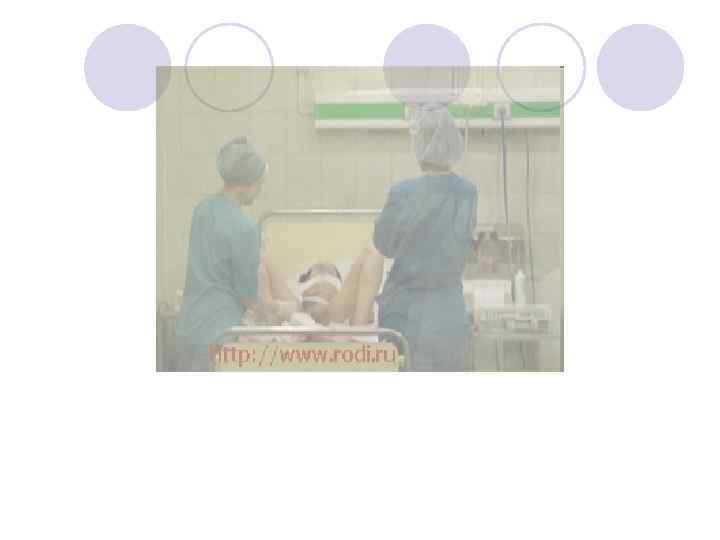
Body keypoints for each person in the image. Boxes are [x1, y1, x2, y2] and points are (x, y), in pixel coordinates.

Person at [175, 137, 297, 371]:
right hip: (219, 336)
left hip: (188, 328)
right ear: (246, 184)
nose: (259, 190)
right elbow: (248, 297)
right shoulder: (245, 228)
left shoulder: (202, 209)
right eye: (260, 184)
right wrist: (280, 309)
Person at [373, 105, 477, 371]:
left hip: (405, 313)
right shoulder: (467, 193)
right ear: (453, 142)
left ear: (419, 144)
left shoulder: (402, 193)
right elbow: (463, 243)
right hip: (448, 313)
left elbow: (383, 245)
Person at [257, 246, 385, 326]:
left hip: (332, 316)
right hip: (300, 312)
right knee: (258, 257)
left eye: (330, 272)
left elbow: (373, 256)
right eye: (315, 272)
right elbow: (258, 258)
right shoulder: (295, 308)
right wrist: (270, 305)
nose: (323, 274)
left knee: (373, 253)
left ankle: (358, 327)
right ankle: (270, 319)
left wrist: (363, 313)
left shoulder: (340, 307)